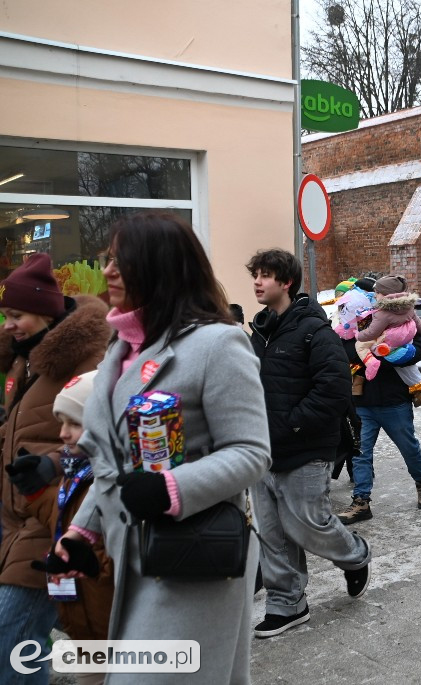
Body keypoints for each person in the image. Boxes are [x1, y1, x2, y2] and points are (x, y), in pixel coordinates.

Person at [49, 212, 271, 683]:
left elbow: (251, 453)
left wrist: (170, 487)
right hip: (131, 553)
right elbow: (110, 462)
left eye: (119, 261)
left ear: (159, 266)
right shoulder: (119, 350)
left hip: (192, 555)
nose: (107, 271)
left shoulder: (219, 344)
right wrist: (81, 534)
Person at [247, 248, 371, 638]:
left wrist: (289, 426)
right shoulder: (260, 333)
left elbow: (334, 392)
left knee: (306, 524)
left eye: (265, 275)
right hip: (263, 452)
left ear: (286, 282)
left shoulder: (314, 331)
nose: (257, 282)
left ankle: (354, 555)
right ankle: (287, 604)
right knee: (272, 532)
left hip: (304, 448)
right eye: (255, 275)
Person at [0, 254, 109, 685]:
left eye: (17, 315)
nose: (9, 325)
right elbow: (29, 426)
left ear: (45, 312)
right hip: (18, 516)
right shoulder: (24, 357)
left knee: (12, 632)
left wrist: (49, 464)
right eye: (5, 315)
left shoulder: (85, 358)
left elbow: (104, 436)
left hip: (59, 513)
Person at [19, 371, 113, 685]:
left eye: (74, 423)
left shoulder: (111, 482)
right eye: (61, 422)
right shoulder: (74, 472)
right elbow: (62, 517)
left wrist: (94, 565)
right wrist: (34, 492)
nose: (63, 434)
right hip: (84, 626)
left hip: (116, 631)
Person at [339, 276, 421, 523]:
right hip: (364, 401)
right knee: (360, 452)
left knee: (408, 447)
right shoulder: (365, 317)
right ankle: (361, 500)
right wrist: (363, 353)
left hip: (394, 400)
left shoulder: (406, 316)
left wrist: (401, 354)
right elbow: (349, 345)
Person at [355, 275, 421, 406]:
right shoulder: (409, 308)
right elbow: (420, 326)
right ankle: (418, 389)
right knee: (409, 370)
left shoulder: (381, 312)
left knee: (361, 346)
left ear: (386, 294)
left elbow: (372, 332)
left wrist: (358, 335)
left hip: (393, 394)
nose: (374, 296)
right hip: (405, 341)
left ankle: (373, 360)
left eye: (377, 293)